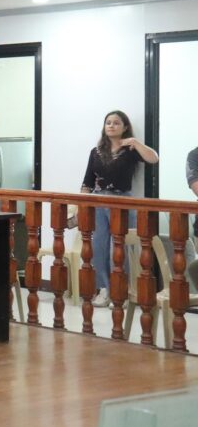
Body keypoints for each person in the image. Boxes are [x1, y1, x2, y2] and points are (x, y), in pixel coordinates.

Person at [80, 110, 159, 308]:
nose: (111, 126)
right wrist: (81, 204)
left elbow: (153, 158)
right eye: (108, 122)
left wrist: (135, 142)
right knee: (98, 247)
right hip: (98, 201)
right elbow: (87, 182)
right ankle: (104, 289)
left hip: (123, 202)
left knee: (121, 247)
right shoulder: (96, 152)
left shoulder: (130, 150)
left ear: (125, 127)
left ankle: (121, 291)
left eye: (116, 123)